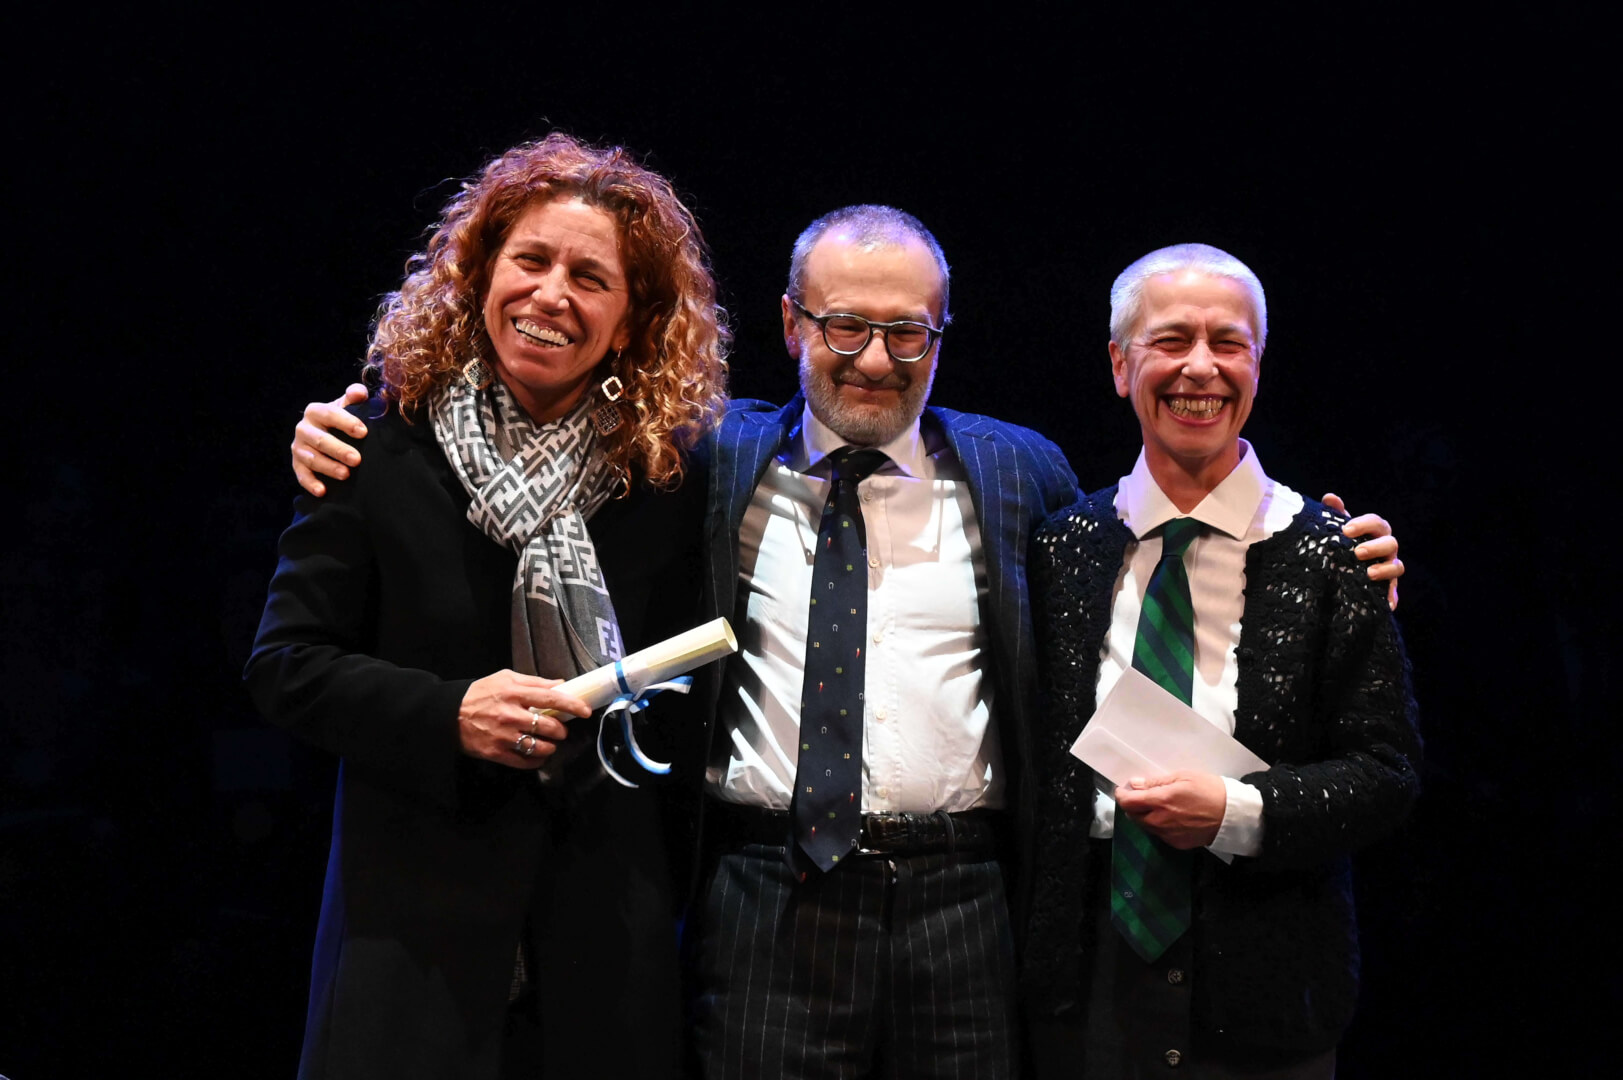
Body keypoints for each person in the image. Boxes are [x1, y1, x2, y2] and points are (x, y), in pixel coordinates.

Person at [291, 211, 1404, 1079]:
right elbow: (546, 431)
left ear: (940, 336)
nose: (875, 357)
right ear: (791, 325)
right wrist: (350, 429)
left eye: (907, 331)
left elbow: (1156, 536)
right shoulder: (705, 458)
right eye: (843, 326)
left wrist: (1328, 542)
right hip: (763, 894)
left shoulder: (1020, 473)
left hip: (967, 903)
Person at [245, 133, 728, 1080]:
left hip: (601, 956)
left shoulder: (670, 477)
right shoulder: (373, 446)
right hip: (408, 950)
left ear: (630, 321)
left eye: (590, 278)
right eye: (530, 260)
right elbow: (284, 667)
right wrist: (448, 713)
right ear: (479, 276)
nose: (551, 295)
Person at [1022, 244, 1422, 1079]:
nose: (1199, 367)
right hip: (1085, 985)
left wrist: (1236, 812)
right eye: (1171, 340)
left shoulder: (1334, 553)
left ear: (1257, 365)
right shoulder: (1060, 545)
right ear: (1119, 365)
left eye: (1227, 342)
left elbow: (1387, 773)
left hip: (1269, 983)